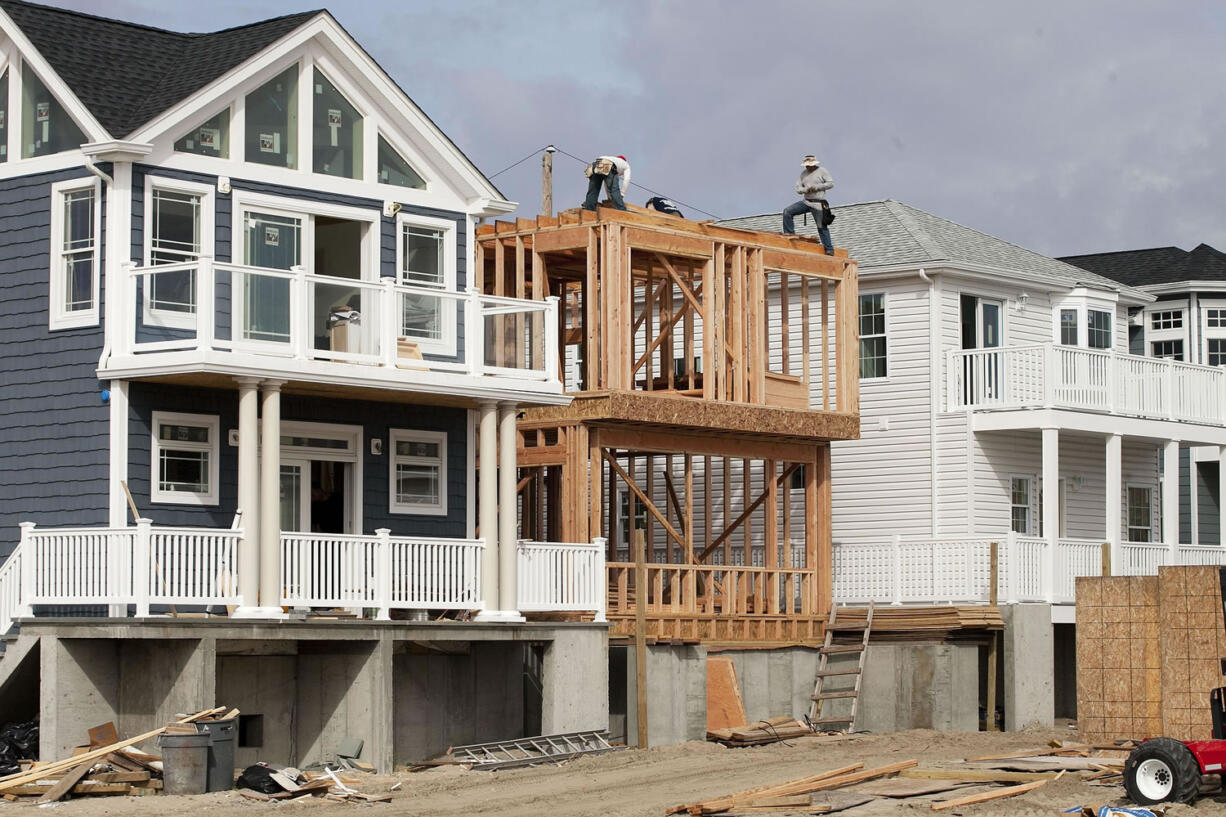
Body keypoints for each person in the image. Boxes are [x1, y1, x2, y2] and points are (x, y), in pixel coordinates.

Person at [782, 154, 835, 254]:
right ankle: (789, 235)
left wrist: (817, 187)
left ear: (814, 164)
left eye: (810, 165)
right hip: (806, 202)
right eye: (807, 166)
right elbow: (798, 188)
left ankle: (829, 249)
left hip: (818, 203)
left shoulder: (822, 171)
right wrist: (805, 190)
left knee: (821, 227)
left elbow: (831, 183)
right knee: (787, 212)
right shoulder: (803, 174)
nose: (808, 167)